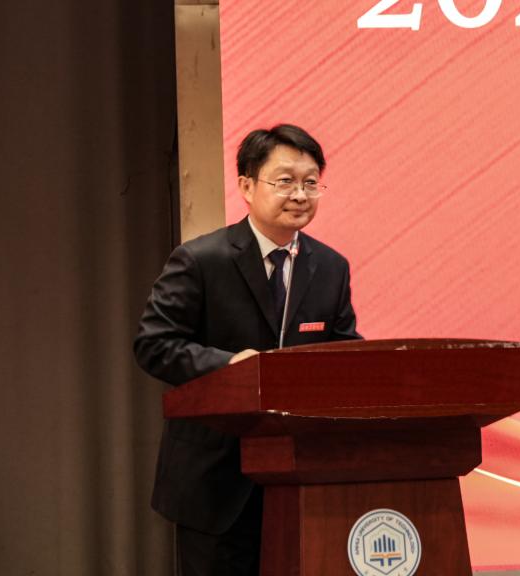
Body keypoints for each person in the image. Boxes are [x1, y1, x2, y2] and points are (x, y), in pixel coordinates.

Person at [133, 124, 362, 575]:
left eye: (311, 182)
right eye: (285, 181)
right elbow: (154, 344)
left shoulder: (331, 267)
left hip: (300, 475)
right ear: (246, 186)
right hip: (215, 479)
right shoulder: (201, 260)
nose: (300, 195)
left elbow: (343, 352)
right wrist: (229, 365)